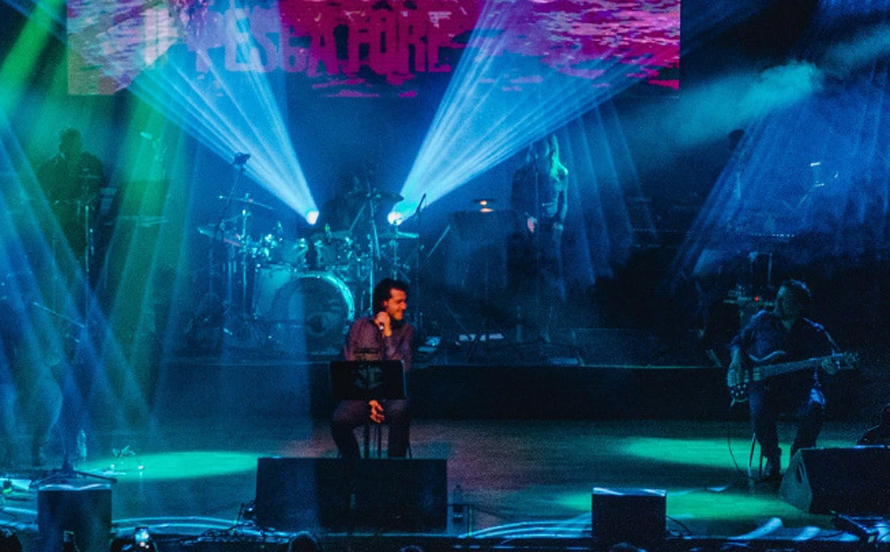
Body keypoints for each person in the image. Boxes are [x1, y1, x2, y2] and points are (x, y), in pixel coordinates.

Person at [726, 279, 840, 481]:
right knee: (759, 409)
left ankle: (799, 458)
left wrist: (832, 367)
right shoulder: (762, 321)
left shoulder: (815, 332)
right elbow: (738, 342)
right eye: (778, 298)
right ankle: (772, 457)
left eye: (784, 300)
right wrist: (736, 358)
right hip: (766, 388)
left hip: (802, 387)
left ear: (799, 305)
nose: (776, 303)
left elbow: (831, 360)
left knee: (815, 407)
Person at [331, 278, 412, 458]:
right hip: (362, 396)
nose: (404, 306)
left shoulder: (406, 330)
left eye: (405, 301)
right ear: (384, 303)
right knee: (338, 420)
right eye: (399, 302)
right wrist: (371, 399)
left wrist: (388, 333)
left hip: (392, 398)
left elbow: (403, 368)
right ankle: (354, 466)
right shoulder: (359, 327)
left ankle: (395, 468)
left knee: (401, 411)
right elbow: (350, 365)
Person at [509, 134, 569, 342]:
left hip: (549, 232)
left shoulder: (561, 173)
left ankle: (544, 329)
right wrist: (526, 217)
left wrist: (559, 223)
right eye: (535, 144)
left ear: (550, 146)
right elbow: (514, 202)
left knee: (548, 281)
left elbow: (564, 202)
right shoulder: (522, 172)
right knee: (527, 278)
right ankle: (523, 329)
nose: (537, 147)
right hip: (527, 232)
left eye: (542, 143)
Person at [36, 127, 105, 272]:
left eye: (79, 145)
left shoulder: (88, 165)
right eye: (74, 146)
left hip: (82, 224)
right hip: (56, 225)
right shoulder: (48, 169)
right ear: (62, 147)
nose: (78, 150)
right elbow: (37, 199)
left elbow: (99, 191)